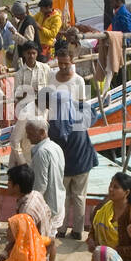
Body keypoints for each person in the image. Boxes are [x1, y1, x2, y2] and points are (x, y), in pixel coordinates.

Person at [46, 90, 95, 240]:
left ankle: (61, 228)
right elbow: (93, 111)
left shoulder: (54, 125)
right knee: (80, 197)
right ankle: (78, 231)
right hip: (83, 163)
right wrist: (78, 102)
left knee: (63, 197)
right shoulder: (81, 116)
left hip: (64, 167)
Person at [26, 115, 64, 261]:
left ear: (41, 133)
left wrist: (30, 208)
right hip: (58, 201)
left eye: (30, 133)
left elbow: (40, 185)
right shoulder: (55, 147)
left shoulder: (42, 152)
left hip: (47, 205)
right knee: (51, 240)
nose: (27, 137)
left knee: (41, 243)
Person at [91, 171, 131, 261]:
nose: (110, 189)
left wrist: (113, 251)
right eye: (110, 185)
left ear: (126, 192)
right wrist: (91, 241)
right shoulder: (104, 208)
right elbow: (93, 229)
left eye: (116, 187)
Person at [13, 40, 51, 112]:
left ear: (37, 54)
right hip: (26, 109)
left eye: (33, 53)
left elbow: (51, 86)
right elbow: (17, 95)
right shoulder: (19, 74)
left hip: (44, 108)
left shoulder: (45, 68)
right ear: (24, 54)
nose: (31, 56)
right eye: (29, 53)